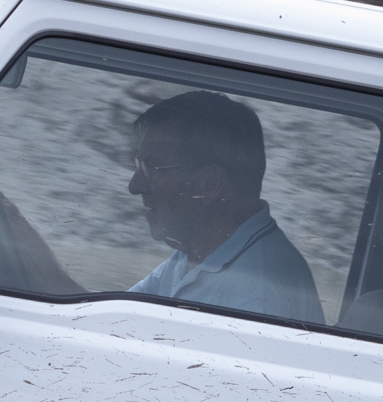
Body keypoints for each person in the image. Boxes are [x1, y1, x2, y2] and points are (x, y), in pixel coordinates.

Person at [123, 88, 322, 324]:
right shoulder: (198, 252)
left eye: (152, 168)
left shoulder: (255, 302)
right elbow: (114, 321)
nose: (134, 185)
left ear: (210, 183)